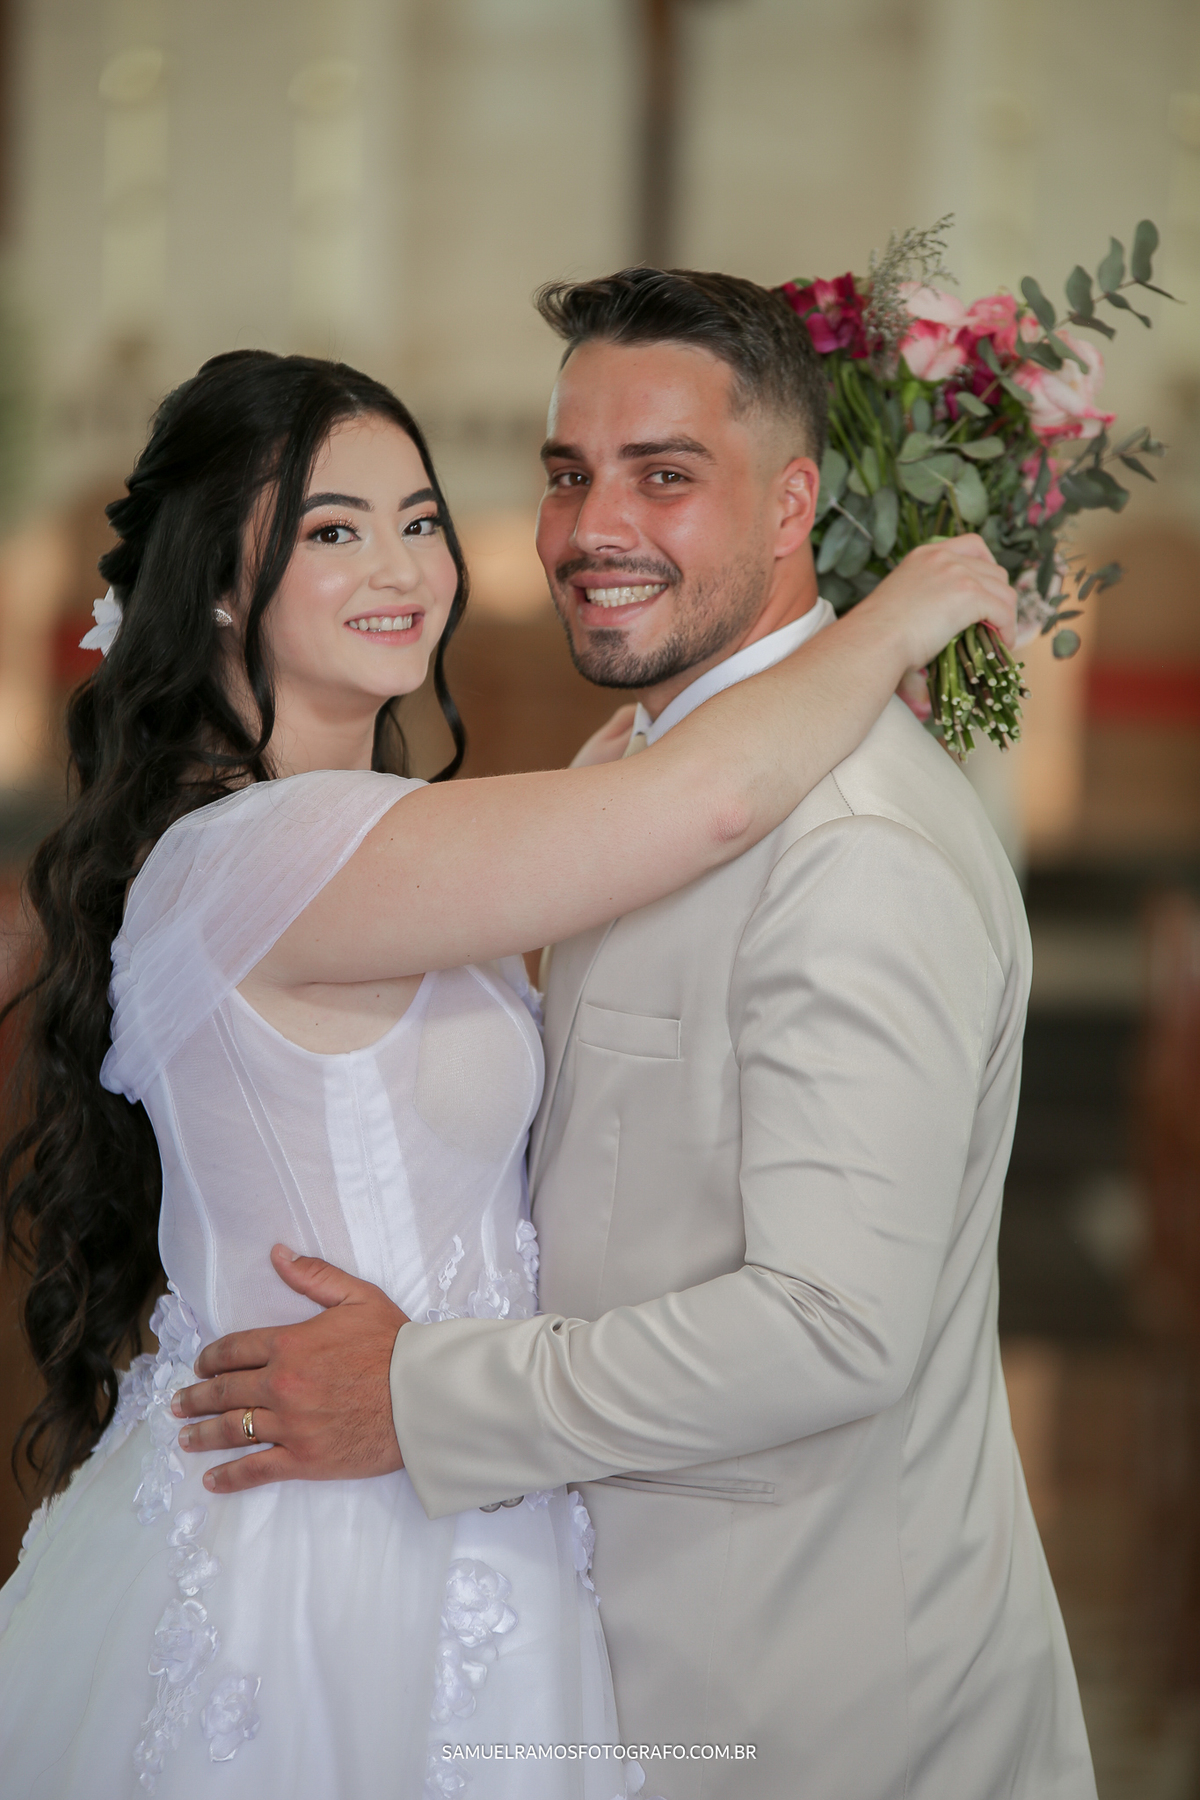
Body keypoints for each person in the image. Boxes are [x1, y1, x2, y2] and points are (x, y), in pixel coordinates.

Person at [0, 345, 1007, 1800]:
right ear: (217, 581)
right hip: (327, 1550)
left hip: (459, 1500)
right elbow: (709, 800)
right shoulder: (264, 851)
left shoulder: (354, 830)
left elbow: (642, 788)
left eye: (419, 519)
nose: (400, 566)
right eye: (332, 531)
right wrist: (893, 616)